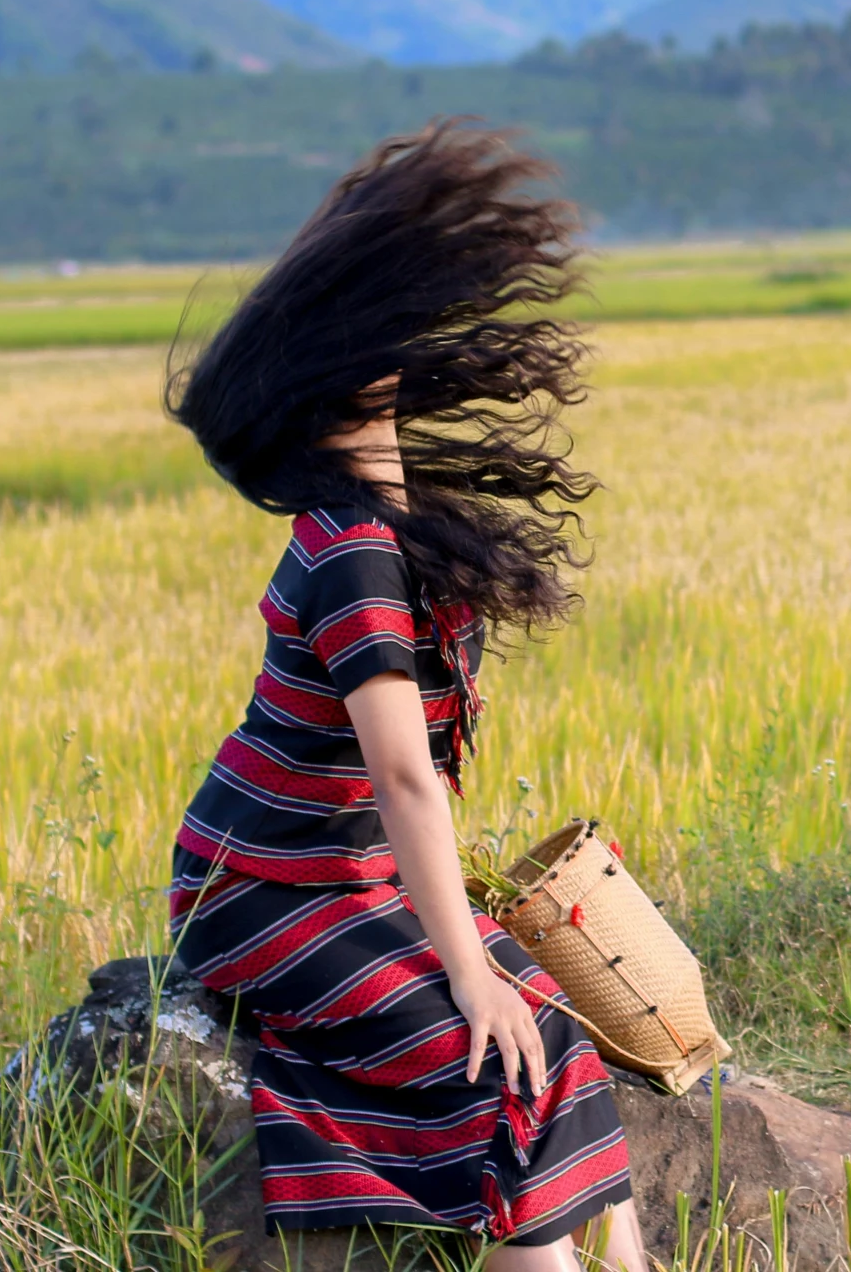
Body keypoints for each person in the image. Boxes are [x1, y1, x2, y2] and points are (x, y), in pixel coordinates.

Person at [163, 122, 645, 1271]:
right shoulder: (350, 552)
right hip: (262, 894)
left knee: (555, 1032)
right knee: (496, 1059)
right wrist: (465, 965)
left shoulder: (385, 525)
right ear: (324, 389)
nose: (387, 350)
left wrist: (480, 954)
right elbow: (398, 777)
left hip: (343, 878)